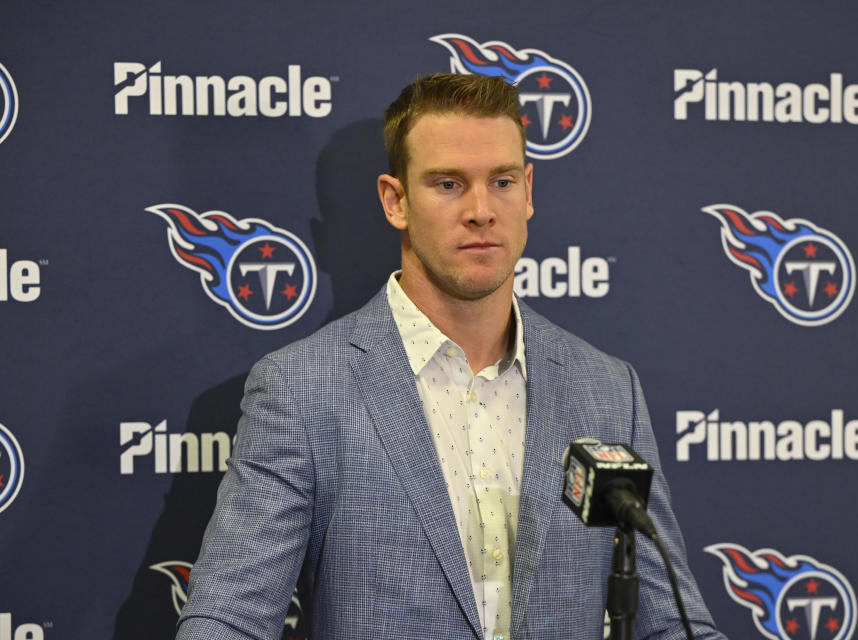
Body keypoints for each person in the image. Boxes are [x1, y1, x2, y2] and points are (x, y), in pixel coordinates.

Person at [176, 73, 726, 640]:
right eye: (448, 184)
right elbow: (228, 621)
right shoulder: (303, 388)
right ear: (396, 201)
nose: (482, 210)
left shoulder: (607, 389)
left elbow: (673, 623)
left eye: (503, 181)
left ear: (529, 191)